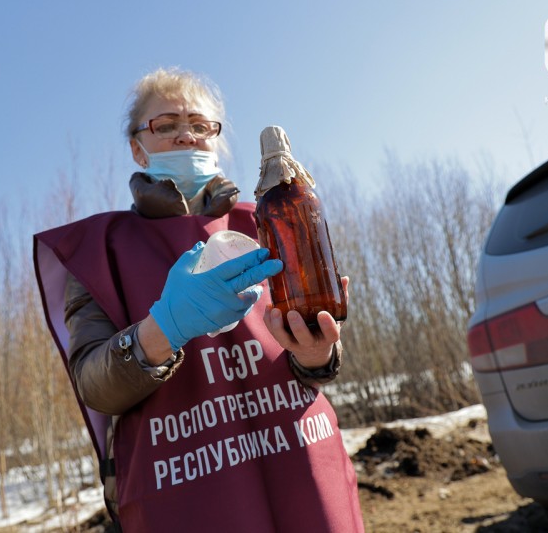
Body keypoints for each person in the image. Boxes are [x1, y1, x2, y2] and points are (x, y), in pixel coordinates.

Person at [34, 67, 363, 532]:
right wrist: (163, 328)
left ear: (217, 140)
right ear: (137, 148)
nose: (185, 135)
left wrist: (317, 354)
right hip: (185, 492)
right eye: (165, 125)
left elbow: (312, 348)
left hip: (300, 464)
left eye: (200, 125)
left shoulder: (269, 217)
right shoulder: (100, 251)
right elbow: (94, 385)